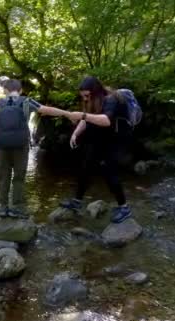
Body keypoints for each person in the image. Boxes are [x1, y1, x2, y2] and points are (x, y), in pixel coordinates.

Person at [39, 76, 133, 224]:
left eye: (87, 95)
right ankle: (77, 202)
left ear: (96, 91)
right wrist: (76, 133)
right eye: (83, 96)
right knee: (85, 168)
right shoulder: (91, 100)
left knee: (109, 172)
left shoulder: (111, 99)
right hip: (99, 138)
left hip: (115, 140)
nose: (85, 98)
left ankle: (124, 207)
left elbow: (106, 120)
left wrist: (82, 115)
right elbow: (86, 119)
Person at [0, 79, 42, 218]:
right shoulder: (27, 101)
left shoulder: (0, 103)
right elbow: (45, 110)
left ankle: (3, 208)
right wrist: (68, 114)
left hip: (1, 146)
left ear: (5, 90)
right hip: (21, 146)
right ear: (20, 90)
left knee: (3, 177)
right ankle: (17, 208)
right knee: (19, 177)